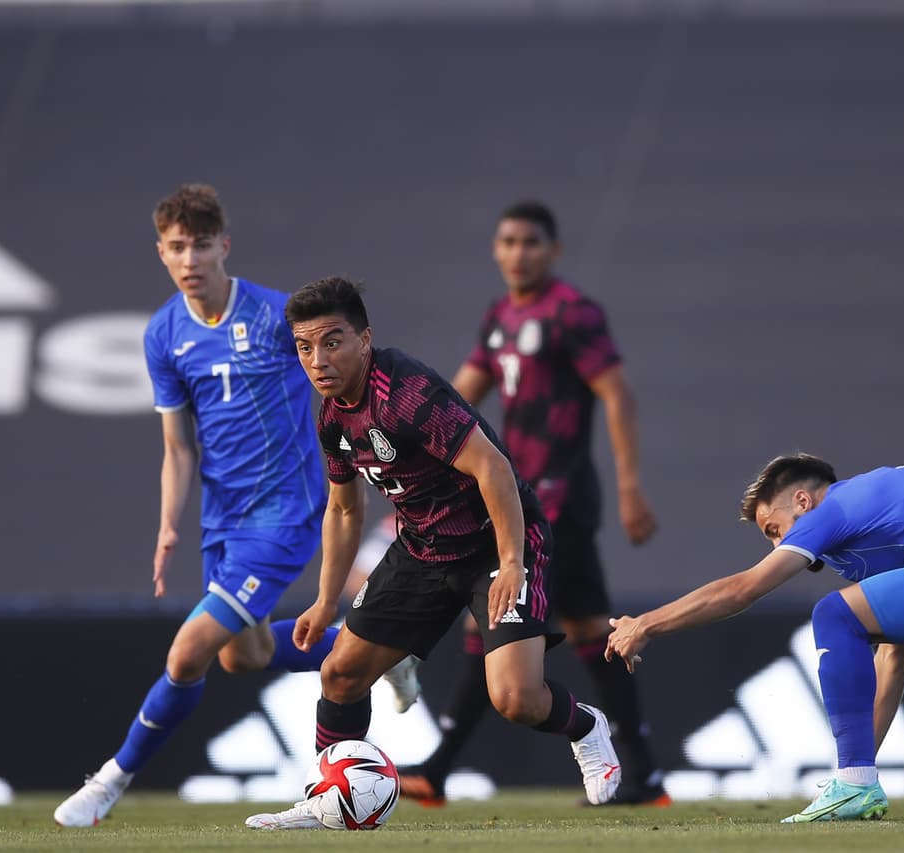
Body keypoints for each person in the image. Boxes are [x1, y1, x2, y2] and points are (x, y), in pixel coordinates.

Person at [53, 186, 417, 827]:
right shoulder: (163, 335)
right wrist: (168, 525)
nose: (189, 258)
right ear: (161, 254)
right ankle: (382, 650)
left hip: (287, 512)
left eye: (200, 245)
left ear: (224, 245)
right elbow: (177, 447)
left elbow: (344, 374)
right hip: (222, 521)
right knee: (240, 655)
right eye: (175, 248)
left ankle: (110, 781)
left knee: (188, 651)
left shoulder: (276, 316)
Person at [245, 276, 622, 830]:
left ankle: (586, 726)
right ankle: (325, 799)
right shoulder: (331, 419)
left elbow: (493, 467)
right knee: (340, 674)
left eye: (332, 341)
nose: (317, 359)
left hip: (496, 543)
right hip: (421, 548)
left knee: (517, 699)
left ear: (365, 338)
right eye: (305, 347)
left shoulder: (408, 394)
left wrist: (513, 563)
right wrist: (326, 601)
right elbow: (344, 511)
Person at [605, 453, 904, 822]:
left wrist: (646, 623)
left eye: (774, 530)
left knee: (834, 614)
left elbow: (744, 588)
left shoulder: (834, 509)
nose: (779, 545)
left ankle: (856, 783)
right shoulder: (883, 512)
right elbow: (893, 656)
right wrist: (856, 767)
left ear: (802, 500)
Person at [398, 200, 666, 806]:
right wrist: (410, 430)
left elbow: (617, 395)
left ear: (554, 250)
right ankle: (645, 774)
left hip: (559, 501)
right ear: (496, 249)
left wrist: (629, 486)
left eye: (530, 242)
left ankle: (437, 769)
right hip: (521, 497)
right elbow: (459, 395)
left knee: (498, 619)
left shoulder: (573, 312)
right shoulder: (499, 316)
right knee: (594, 634)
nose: (518, 253)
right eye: (508, 242)